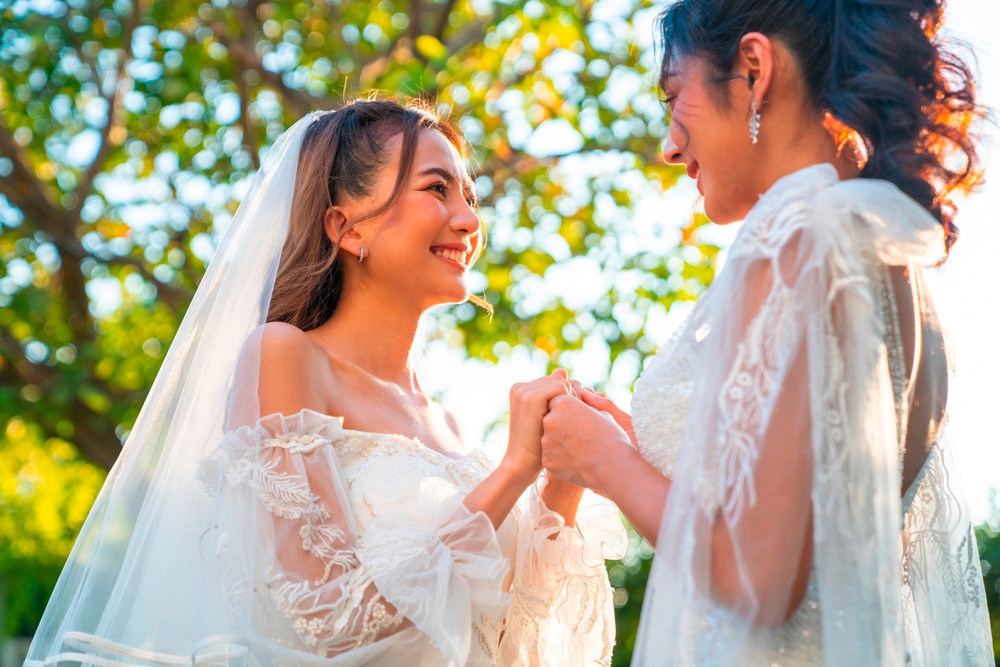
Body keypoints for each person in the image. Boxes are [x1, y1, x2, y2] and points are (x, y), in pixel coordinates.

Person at [26, 97, 626, 666]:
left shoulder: (451, 425)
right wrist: (512, 471)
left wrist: (559, 481)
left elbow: (510, 648)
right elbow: (328, 623)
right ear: (348, 227)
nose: (469, 220)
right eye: (437, 188)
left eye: (469, 196)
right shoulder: (282, 357)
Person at [537, 0, 993, 664]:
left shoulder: (794, 239)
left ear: (753, 68)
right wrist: (651, 451)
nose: (669, 144)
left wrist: (603, 460)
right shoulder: (897, 265)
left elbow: (759, 577)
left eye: (674, 97)